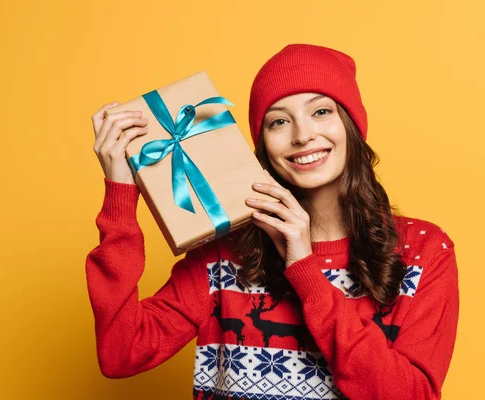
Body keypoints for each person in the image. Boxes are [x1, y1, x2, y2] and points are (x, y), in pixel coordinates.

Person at [86, 44, 459, 400]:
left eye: (321, 112)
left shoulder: (424, 250)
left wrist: (304, 269)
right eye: (279, 121)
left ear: (351, 125)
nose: (302, 135)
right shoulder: (224, 252)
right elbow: (122, 353)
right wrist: (121, 191)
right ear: (262, 145)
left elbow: (410, 394)